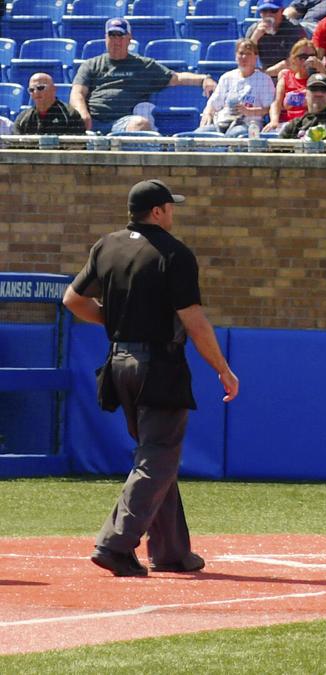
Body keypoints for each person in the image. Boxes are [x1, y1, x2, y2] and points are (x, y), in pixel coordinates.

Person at [62, 179, 239, 577]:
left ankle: (172, 552)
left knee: (157, 456)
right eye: (169, 207)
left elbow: (72, 300)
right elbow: (193, 320)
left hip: (118, 363)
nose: (173, 212)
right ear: (157, 212)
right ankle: (115, 543)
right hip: (157, 366)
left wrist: (119, 320)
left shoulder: (106, 245)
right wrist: (222, 370)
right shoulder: (174, 253)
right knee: (157, 458)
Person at [71, 18, 218, 134]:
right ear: (106, 38)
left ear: (129, 39)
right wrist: (83, 115)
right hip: (92, 121)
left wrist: (204, 78)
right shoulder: (91, 64)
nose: (116, 41)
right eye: (112, 36)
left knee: (140, 124)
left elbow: (176, 78)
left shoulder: (142, 65)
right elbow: (77, 93)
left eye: (120, 36)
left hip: (123, 122)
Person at [197, 39, 275, 137]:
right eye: (241, 53)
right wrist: (208, 113)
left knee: (233, 136)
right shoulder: (227, 77)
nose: (244, 57)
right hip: (222, 121)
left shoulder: (264, 79)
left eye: (248, 54)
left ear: (255, 57)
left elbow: (268, 109)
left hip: (248, 124)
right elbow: (213, 104)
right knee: (199, 134)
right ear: (236, 56)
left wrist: (248, 111)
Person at [266, 38, 326, 132]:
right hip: (289, 126)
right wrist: (274, 121)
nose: (307, 60)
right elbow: (276, 103)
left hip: (312, 124)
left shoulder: (320, 78)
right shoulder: (286, 77)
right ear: (293, 60)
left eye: (311, 56)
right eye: (302, 57)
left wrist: (323, 70)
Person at [279, 72, 326, 138]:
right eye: (314, 88)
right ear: (306, 93)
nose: (319, 93)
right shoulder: (298, 123)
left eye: (323, 89)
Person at [245, 1, 307, 79]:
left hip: (289, 76)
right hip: (265, 78)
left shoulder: (294, 29)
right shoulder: (254, 29)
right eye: (264, 11)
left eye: (273, 10)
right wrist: (255, 38)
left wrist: (265, 74)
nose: (268, 15)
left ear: (282, 11)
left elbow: (294, 62)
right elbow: (245, 58)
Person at [14, 73, 86, 135]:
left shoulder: (70, 115)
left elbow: (77, 146)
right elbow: (15, 147)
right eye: (31, 90)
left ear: (54, 89)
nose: (36, 92)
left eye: (40, 88)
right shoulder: (23, 119)